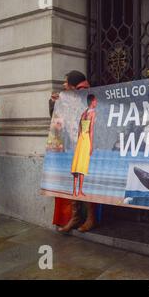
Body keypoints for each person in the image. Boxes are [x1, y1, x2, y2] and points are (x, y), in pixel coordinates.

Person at [49, 70, 98, 233]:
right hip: (72, 142)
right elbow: (58, 120)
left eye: (66, 82)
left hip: (84, 142)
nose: (63, 85)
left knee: (86, 178)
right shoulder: (70, 97)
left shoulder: (86, 95)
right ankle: (76, 217)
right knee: (74, 178)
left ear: (72, 83)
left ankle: (91, 218)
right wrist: (55, 104)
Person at [70, 94, 97, 197]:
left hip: (80, 140)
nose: (96, 103)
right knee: (83, 165)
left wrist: (78, 141)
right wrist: (91, 145)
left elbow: (79, 130)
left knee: (77, 165)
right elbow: (91, 130)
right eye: (95, 101)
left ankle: (74, 192)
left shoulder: (83, 113)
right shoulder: (93, 113)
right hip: (86, 140)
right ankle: (80, 191)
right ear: (92, 101)